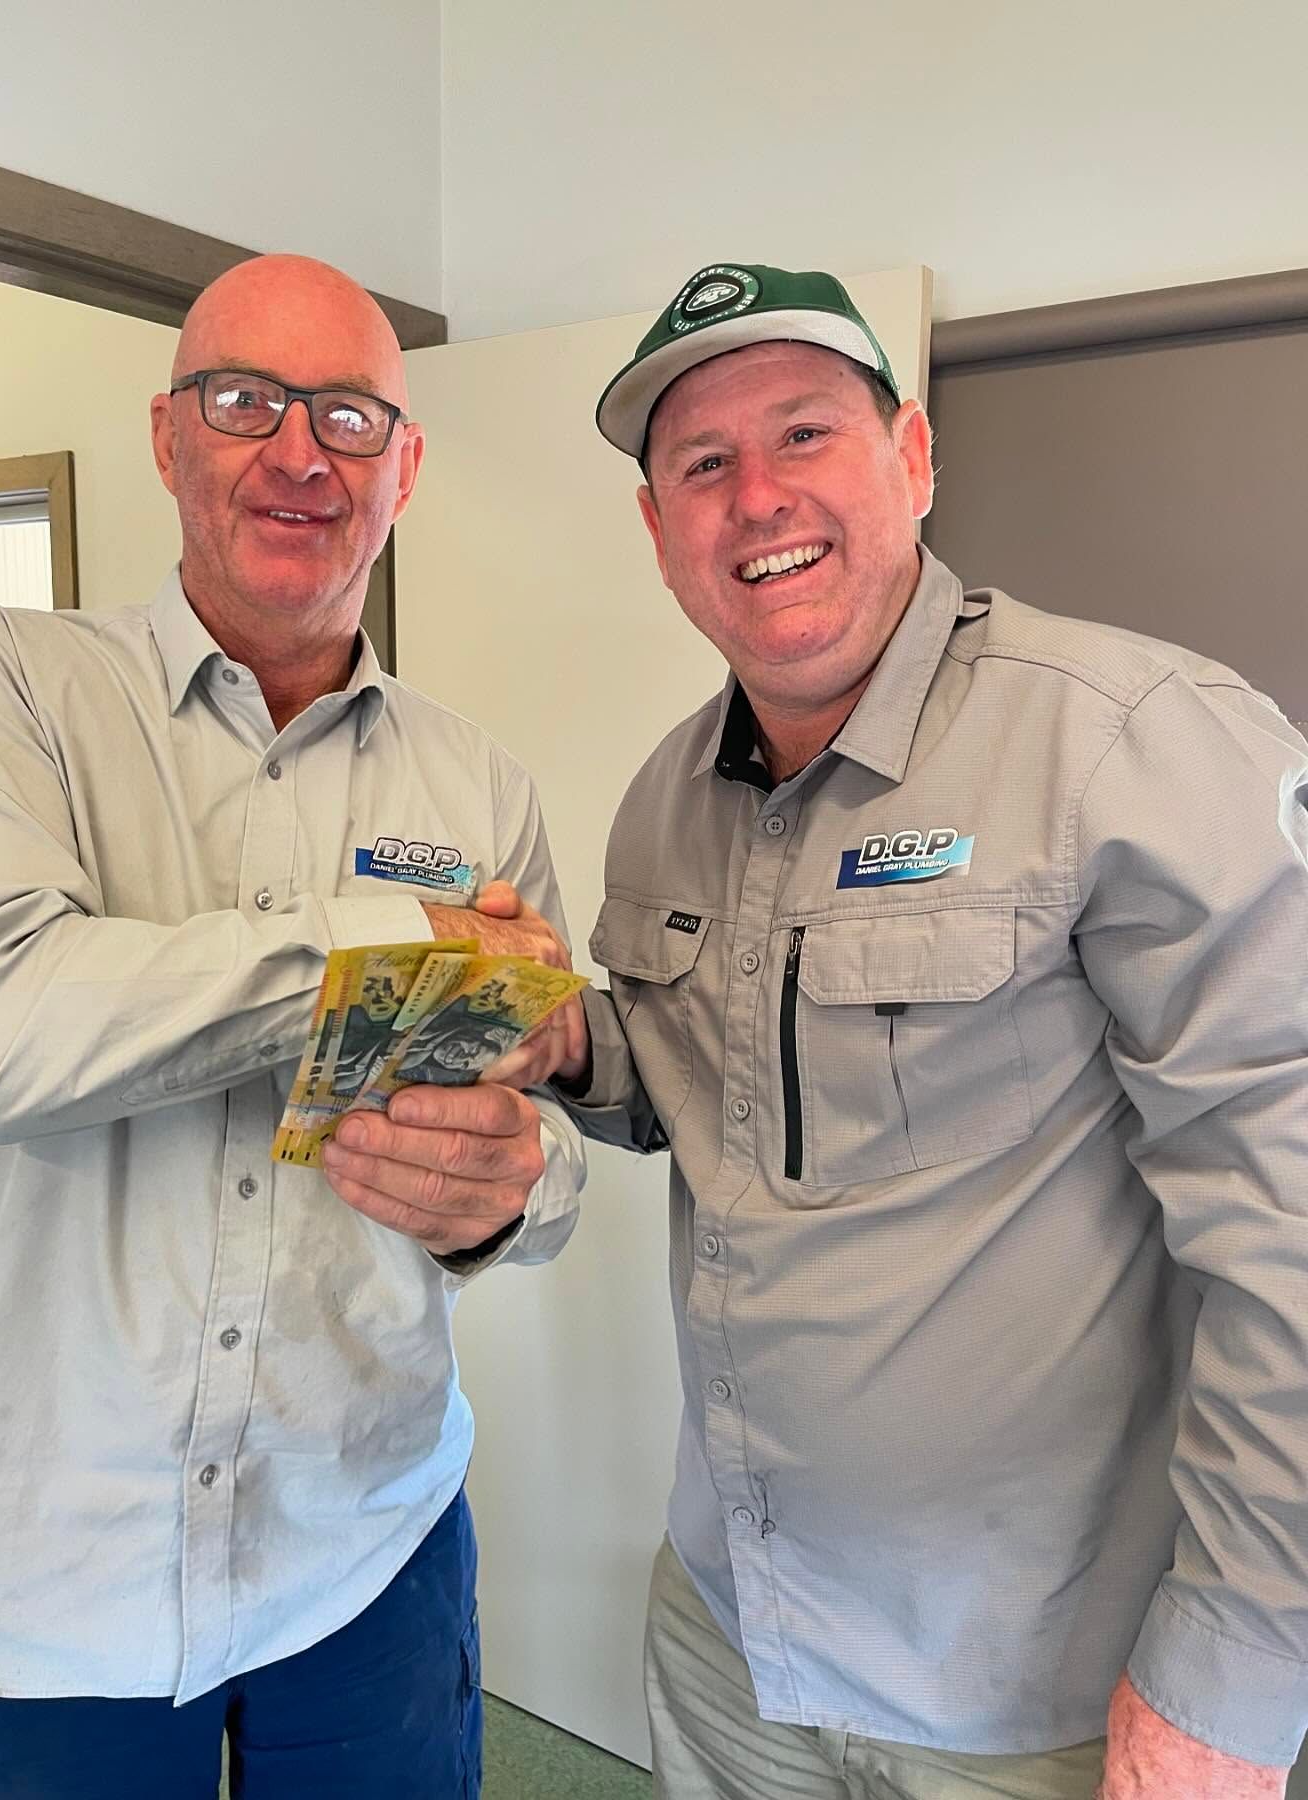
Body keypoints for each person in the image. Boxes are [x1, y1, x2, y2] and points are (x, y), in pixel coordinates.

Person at [497, 261, 1308, 1798]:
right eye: (703, 463)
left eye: (804, 433)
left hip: (1026, 1692)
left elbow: (1290, 1230)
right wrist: (565, 1039)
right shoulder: (664, 799)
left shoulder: (1128, 742)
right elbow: (706, 1089)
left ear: (913, 457)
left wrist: (1232, 1677)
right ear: (659, 529)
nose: (757, 496)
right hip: (734, 1638)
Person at [0, 253, 584, 1800]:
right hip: (39, 1592)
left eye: (348, 415)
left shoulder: (480, 788)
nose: (298, 453)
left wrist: (514, 1190)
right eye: (245, 400)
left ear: (405, 467)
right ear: (167, 435)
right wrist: (375, 943)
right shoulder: (0, 687)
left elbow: (542, 1125)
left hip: (369, 1550)